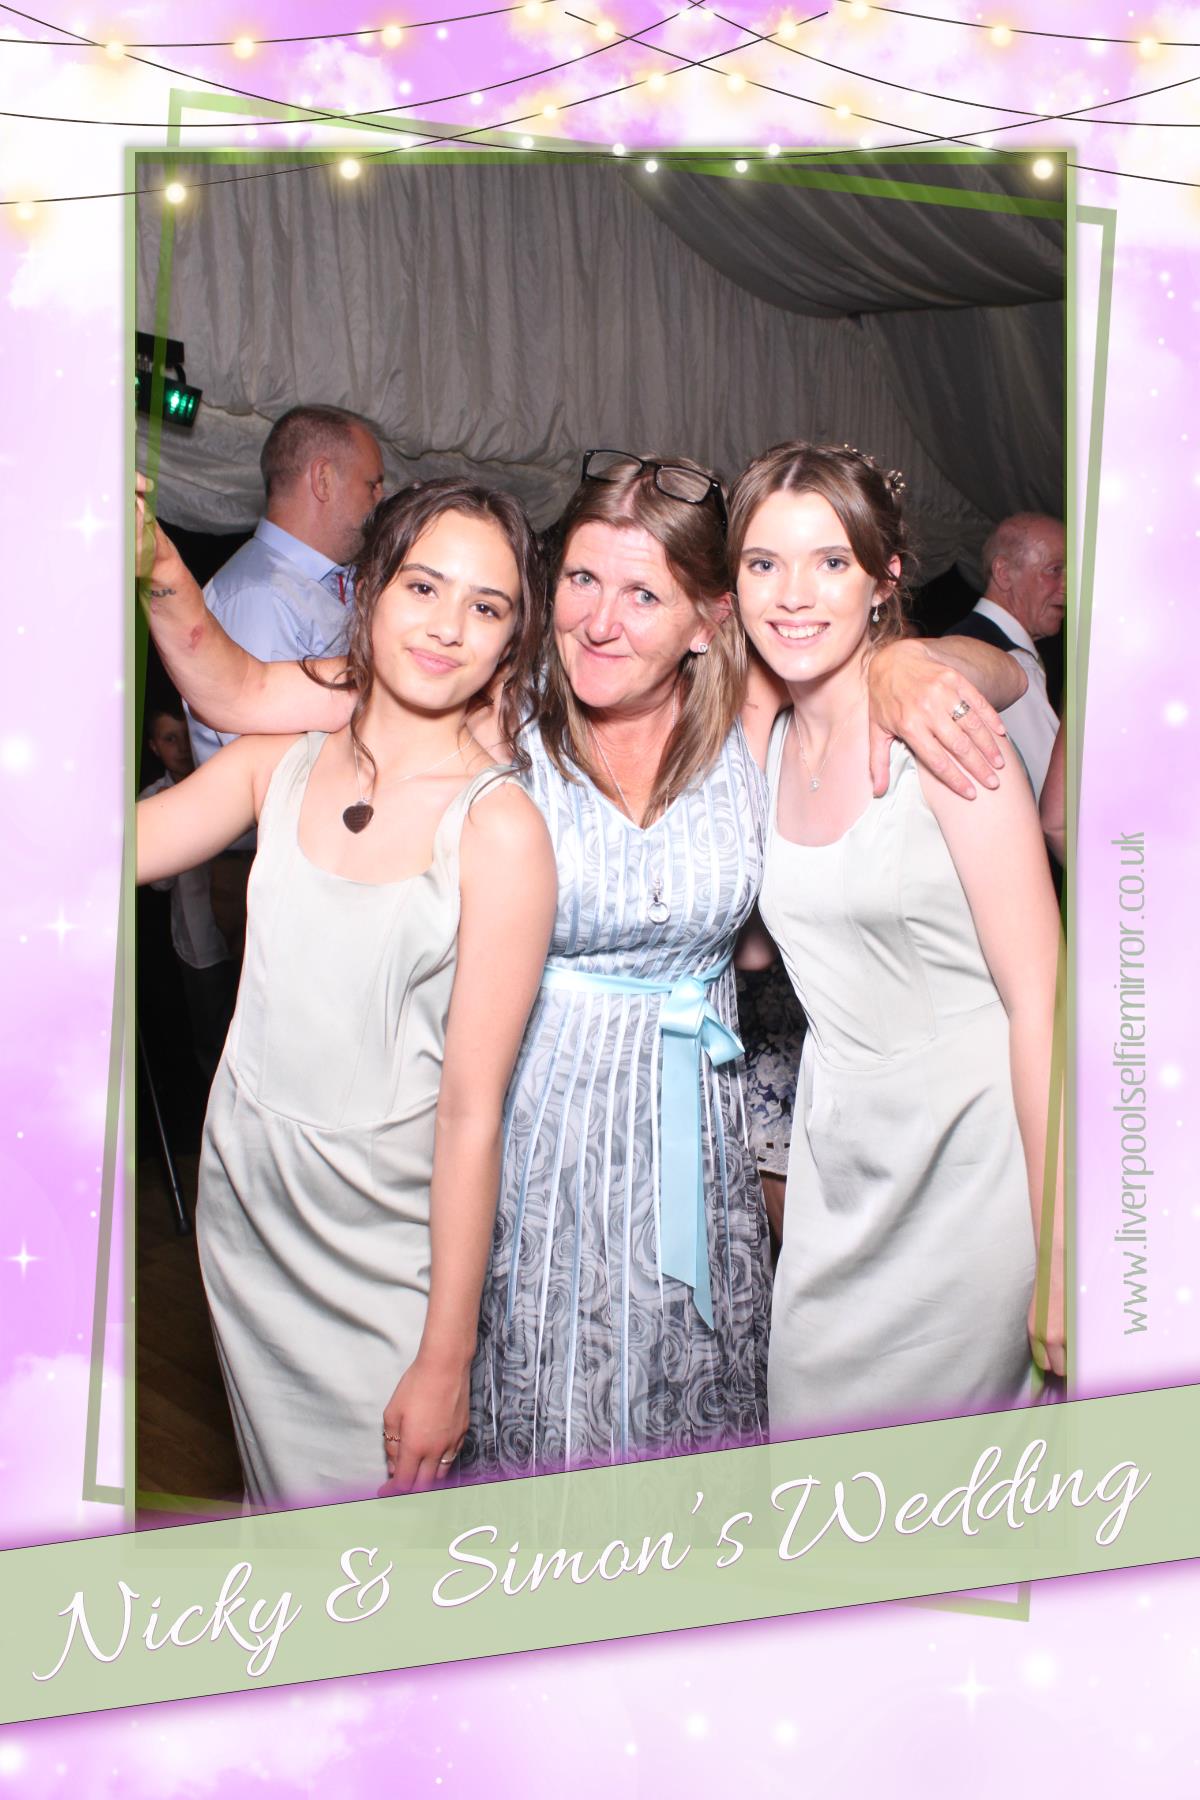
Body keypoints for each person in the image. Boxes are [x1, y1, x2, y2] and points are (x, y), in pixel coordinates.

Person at [140, 449, 1024, 1476]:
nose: (602, 621)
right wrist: (152, 557)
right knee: (531, 1426)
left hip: (692, 1146)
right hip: (536, 1142)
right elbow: (237, 684)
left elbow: (1009, 670)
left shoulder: (751, 708)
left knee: (686, 1435)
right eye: (582, 582)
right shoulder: (495, 705)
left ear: (710, 620)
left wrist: (908, 663)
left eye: (644, 594)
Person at [136, 478, 557, 1505]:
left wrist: (446, 1357)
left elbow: (471, 1116)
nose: (448, 625)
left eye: (486, 606)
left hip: (378, 1242)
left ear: (511, 642)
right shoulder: (275, 765)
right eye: (423, 585)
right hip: (248, 1206)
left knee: (375, 1553)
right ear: (368, 591)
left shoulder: (500, 828)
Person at [728, 442, 1066, 1439]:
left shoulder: (942, 731)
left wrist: (1064, 1249)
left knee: (949, 1497)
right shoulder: (766, 743)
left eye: (830, 562)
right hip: (839, 1167)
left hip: (974, 1170)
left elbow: (1042, 1000)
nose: (794, 594)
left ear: (885, 579)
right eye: (764, 563)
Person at [139, 702, 236, 1083]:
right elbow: (159, 883)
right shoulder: (153, 800)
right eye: (169, 739)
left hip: (246, 928)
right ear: (153, 747)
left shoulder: (224, 778)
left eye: (185, 736)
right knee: (211, 1033)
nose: (180, 747)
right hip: (200, 942)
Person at [942, 512, 1065, 798]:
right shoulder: (1012, 663)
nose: (1067, 587)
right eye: (1055, 570)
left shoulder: (956, 641)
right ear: (1004, 573)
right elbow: (1054, 798)